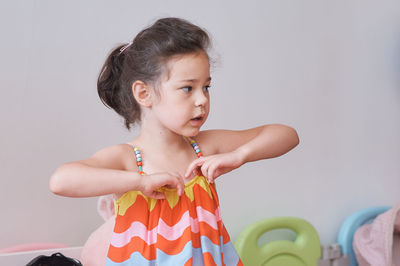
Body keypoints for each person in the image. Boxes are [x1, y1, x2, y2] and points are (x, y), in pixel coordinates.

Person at [50, 17, 299, 266]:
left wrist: (240, 155)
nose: (202, 99)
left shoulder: (203, 146)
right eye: (188, 88)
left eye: (207, 87)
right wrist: (140, 182)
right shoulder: (128, 159)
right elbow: (61, 180)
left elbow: (286, 135)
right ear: (144, 93)